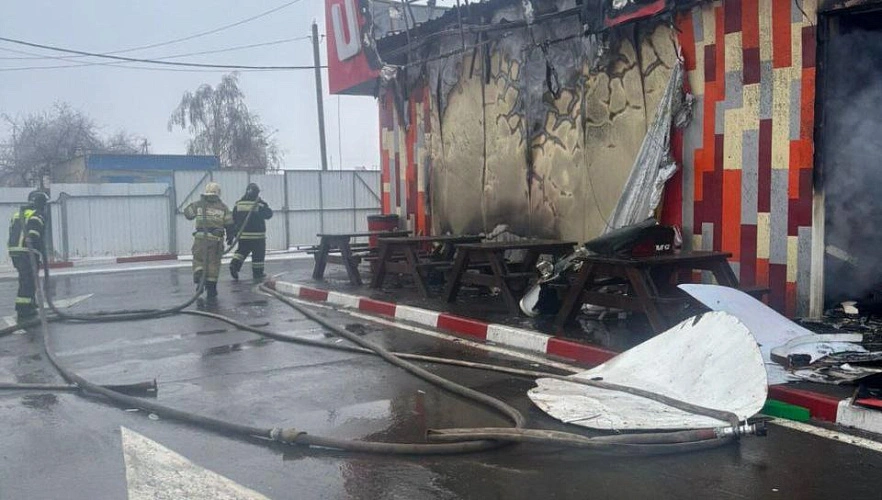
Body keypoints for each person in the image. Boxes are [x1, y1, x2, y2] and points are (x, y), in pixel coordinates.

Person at [183, 182, 233, 301]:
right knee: (213, 264)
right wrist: (230, 236)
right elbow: (229, 223)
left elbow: (188, 214)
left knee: (198, 259)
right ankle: (211, 289)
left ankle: (199, 275)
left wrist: (195, 205)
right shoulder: (223, 207)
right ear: (218, 193)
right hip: (215, 241)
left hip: (200, 239)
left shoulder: (199, 204)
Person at [7, 190, 49, 322]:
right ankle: (24, 310)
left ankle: (29, 303)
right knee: (28, 280)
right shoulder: (37, 215)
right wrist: (40, 250)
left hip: (15, 251)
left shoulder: (19, 213)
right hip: (27, 251)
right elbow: (34, 235)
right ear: (40, 203)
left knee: (25, 278)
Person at [229, 183, 273, 281]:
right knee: (258, 255)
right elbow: (269, 214)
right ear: (257, 193)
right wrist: (263, 204)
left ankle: (234, 265)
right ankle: (258, 273)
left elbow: (234, 218)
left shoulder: (238, 203)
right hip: (257, 236)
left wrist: (234, 231)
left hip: (243, 235)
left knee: (241, 252)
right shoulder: (259, 204)